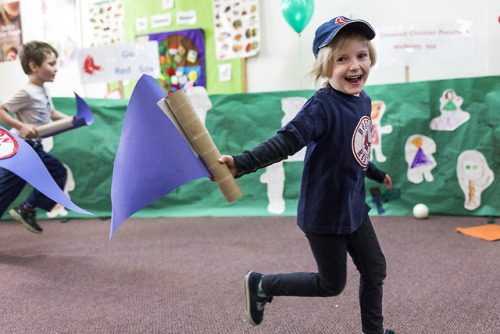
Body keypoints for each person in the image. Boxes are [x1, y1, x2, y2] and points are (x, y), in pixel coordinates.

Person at [217, 16, 395, 334]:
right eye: (342, 59)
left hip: (353, 206)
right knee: (330, 284)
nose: (355, 66)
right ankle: (262, 285)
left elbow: (356, 150)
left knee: (375, 268)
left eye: (361, 55)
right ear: (325, 67)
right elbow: (287, 141)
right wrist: (244, 162)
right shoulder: (321, 107)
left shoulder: (364, 100)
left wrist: (376, 173)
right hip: (325, 213)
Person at [0, 41, 70, 234]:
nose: (56, 69)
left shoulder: (43, 90)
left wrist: (73, 120)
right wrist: (21, 126)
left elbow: (51, 112)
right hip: (22, 148)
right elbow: (1, 110)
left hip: (29, 148)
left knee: (6, 192)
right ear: (33, 66)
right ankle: (27, 209)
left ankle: (27, 209)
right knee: (57, 172)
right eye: (51, 64)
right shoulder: (27, 92)